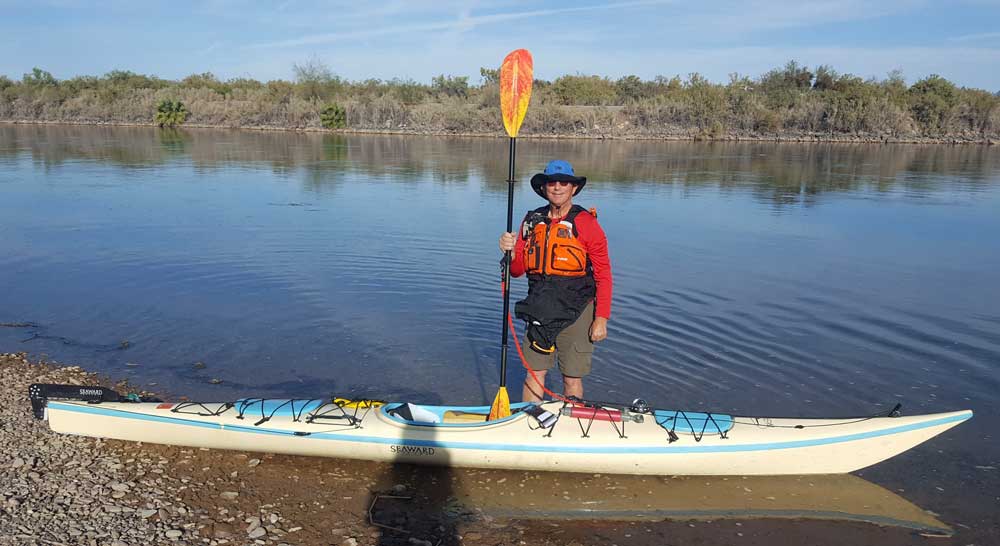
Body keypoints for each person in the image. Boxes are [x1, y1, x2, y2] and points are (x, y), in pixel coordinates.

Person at [498, 160, 612, 402]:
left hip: (577, 311)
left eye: (564, 183)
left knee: (571, 378)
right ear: (544, 188)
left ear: (574, 188)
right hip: (539, 308)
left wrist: (601, 319)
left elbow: (604, 275)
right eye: (552, 183)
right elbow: (517, 271)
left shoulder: (587, 224)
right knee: (534, 374)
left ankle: (568, 427)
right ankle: (529, 424)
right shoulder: (532, 221)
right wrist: (511, 253)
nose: (558, 188)